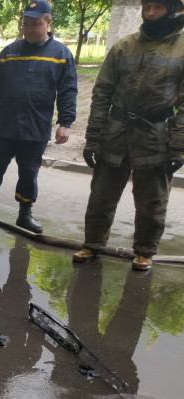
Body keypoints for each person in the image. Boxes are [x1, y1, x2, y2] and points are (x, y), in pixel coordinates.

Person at [73, 0, 184, 271]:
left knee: (152, 200)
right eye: (148, 7)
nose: (152, 13)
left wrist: (179, 144)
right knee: (101, 195)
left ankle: (145, 251)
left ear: (172, 10)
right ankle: (93, 244)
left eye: (158, 7)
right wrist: (94, 137)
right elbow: (101, 94)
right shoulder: (123, 46)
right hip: (115, 133)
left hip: (155, 135)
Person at [0, 0, 77, 234]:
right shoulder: (10, 52)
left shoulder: (61, 54)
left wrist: (65, 123)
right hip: (6, 126)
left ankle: (25, 214)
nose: (29, 29)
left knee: (29, 173)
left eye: (35, 24)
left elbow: (67, 90)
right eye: (25, 24)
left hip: (36, 128)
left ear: (48, 22)